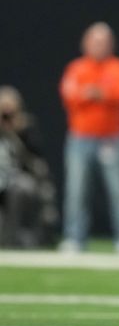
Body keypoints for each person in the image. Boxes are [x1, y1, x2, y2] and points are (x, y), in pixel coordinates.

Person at [59, 22, 119, 254]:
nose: (99, 46)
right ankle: (74, 236)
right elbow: (70, 96)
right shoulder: (76, 68)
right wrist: (95, 95)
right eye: (95, 42)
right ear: (85, 44)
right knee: (76, 190)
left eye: (103, 42)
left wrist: (99, 94)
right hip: (80, 137)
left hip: (112, 138)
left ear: (111, 45)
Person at [0, 86, 57, 248]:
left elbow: (37, 154)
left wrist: (18, 131)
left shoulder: (25, 125)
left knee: (21, 187)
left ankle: (11, 237)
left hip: (18, 178)